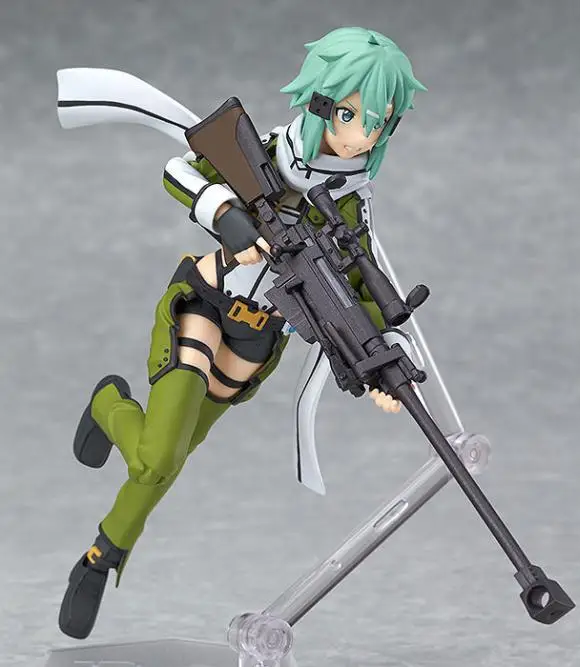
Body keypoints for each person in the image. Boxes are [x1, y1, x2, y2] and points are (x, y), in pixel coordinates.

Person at [57, 26, 426, 640]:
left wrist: (387, 359)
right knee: (157, 458)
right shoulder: (270, 154)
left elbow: (365, 294)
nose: (363, 134)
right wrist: (227, 217)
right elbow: (178, 170)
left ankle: (103, 531)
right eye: (350, 114)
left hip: (256, 344)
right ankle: (107, 449)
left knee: (168, 460)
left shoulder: (351, 204)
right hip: (205, 302)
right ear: (321, 101)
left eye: (379, 122)